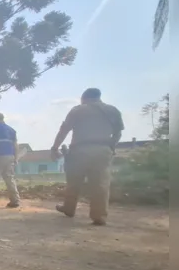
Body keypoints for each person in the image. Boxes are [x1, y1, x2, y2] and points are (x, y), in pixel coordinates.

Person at [50, 88, 124, 226]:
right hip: (103, 149)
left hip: (80, 149)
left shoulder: (78, 110)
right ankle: (99, 216)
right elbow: (118, 133)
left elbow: (64, 130)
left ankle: (69, 208)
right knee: (100, 184)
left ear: (84, 98)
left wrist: (55, 147)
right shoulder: (112, 110)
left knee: (73, 181)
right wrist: (111, 147)